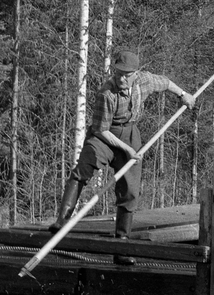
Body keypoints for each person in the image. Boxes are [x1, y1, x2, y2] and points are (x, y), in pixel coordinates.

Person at [48, 49, 194, 263]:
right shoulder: (106, 93)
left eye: (126, 74)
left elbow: (165, 82)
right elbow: (101, 130)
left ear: (136, 74)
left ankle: (121, 245)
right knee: (84, 167)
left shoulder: (145, 81)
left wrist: (183, 95)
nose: (121, 78)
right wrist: (127, 150)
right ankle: (62, 221)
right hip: (104, 135)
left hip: (130, 134)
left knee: (130, 190)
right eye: (118, 73)